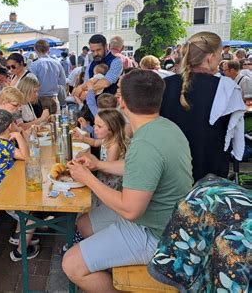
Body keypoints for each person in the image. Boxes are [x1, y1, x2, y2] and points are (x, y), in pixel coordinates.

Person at [62, 70, 193, 292]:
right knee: (84, 223)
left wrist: (88, 179)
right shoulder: (166, 127)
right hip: (167, 219)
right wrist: (99, 165)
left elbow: (130, 210)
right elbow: (142, 169)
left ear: (121, 101)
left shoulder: (144, 145)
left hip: (159, 234)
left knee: (71, 264)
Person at [160, 32, 245, 182]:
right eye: (220, 54)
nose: (221, 59)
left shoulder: (164, 85)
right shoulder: (227, 88)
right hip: (210, 168)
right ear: (210, 56)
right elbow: (236, 132)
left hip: (170, 165)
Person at [0, 109, 40, 262]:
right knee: (31, 219)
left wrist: (21, 135)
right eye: (15, 123)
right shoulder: (3, 144)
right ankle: (20, 252)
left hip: (5, 187)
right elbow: (27, 157)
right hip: (2, 192)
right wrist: (19, 135)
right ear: (10, 126)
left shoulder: (2, 141)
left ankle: (20, 236)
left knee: (26, 209)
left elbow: (27, 150)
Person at [72, 109, 129, 206]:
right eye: (95, 124)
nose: (94, 128)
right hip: (102, 176)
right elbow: (94, 143)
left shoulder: (113, 146)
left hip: (110, 184)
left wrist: (92, 164)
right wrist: (82, 138)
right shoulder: (106, 138)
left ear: (112, 129)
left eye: (99, 126)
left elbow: (108, 171)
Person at [29, 40, 66, 114]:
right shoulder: (57, 63)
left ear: (35, 50)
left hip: (39, 100)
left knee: (41, 123)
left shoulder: (34, 64)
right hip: (54, 98)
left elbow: (31, 84)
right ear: (49, 49)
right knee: (55, 123)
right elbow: (62, 82)